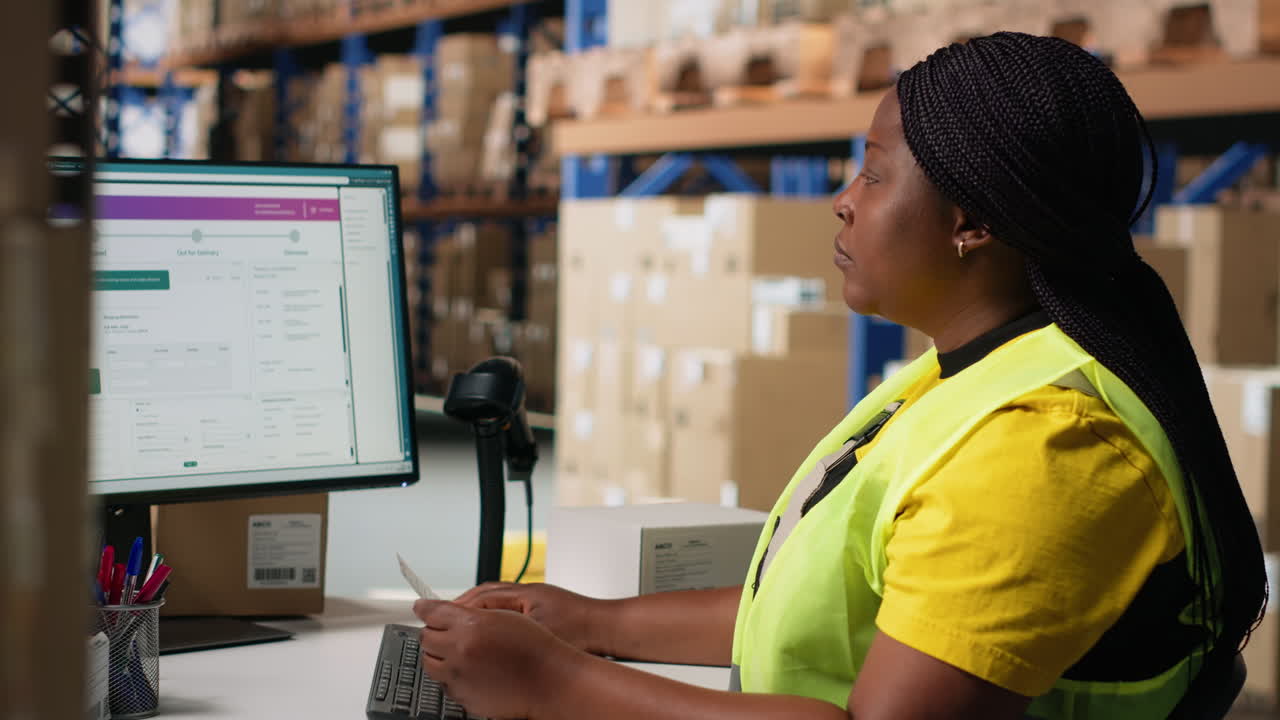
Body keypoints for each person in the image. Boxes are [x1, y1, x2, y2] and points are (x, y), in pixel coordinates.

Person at [412, 32, 1267, 719]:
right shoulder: (972, 373)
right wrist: (595, 624)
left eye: (874, 170)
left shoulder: (1041, 446)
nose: (844, 198)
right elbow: (829, 613)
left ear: (970, 222)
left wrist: (557, 688)